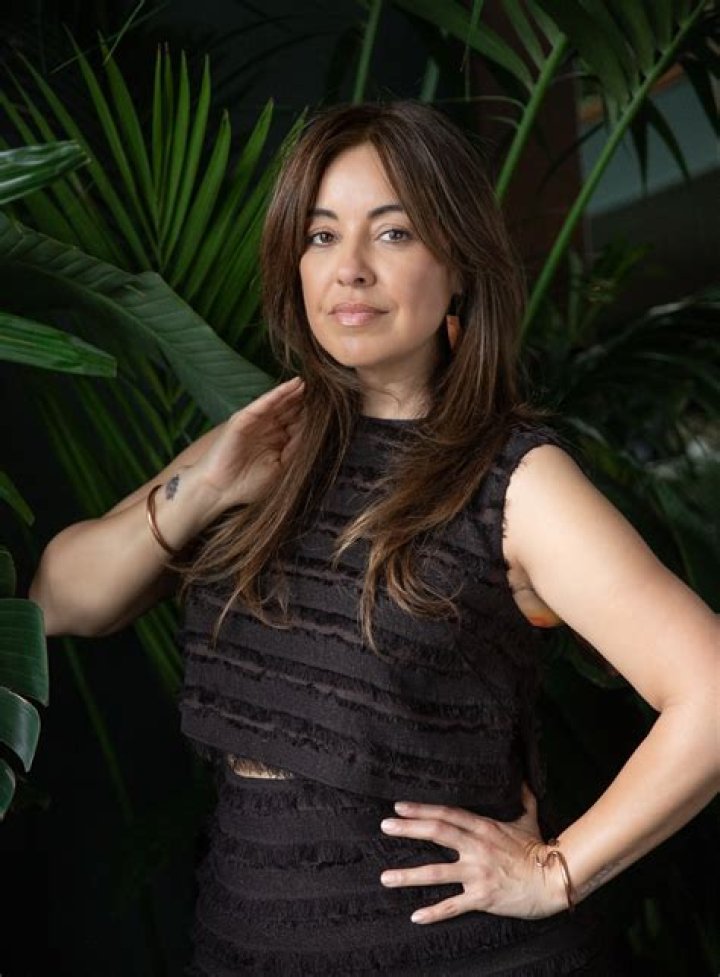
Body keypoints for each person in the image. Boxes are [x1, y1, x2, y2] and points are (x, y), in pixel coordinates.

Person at [30, 101, 718, 976]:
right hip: (242, 943)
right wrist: (201, 489)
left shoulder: (515, 480)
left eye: (393, 234)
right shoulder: (265, 444)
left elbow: (711, 692)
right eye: (321, 236)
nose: (349, 268)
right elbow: (60, 598)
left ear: (458, 266)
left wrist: (556, 872)